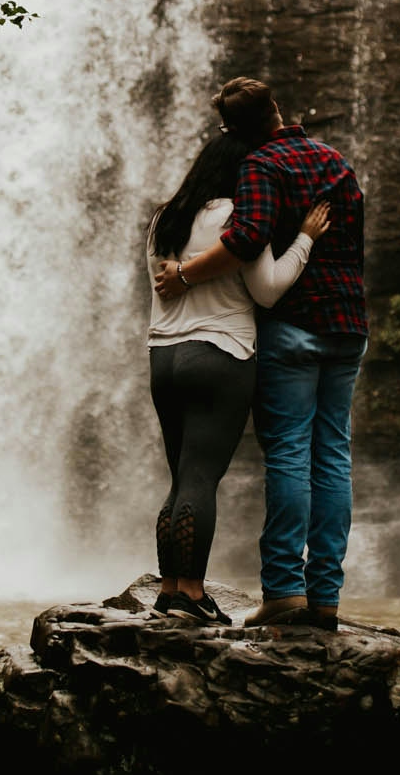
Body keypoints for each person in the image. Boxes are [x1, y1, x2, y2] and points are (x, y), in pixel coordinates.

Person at [154, 76, 366, 631]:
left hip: (263, 334)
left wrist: (181, 273)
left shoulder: (203, 199)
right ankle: (323, 597)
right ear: (277, 108)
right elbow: (273, 262)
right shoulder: (336, 163)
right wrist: (308, 239)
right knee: (333, 456)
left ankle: (268, 592)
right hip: (342, 325)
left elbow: (245, 248)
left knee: (264, 459)